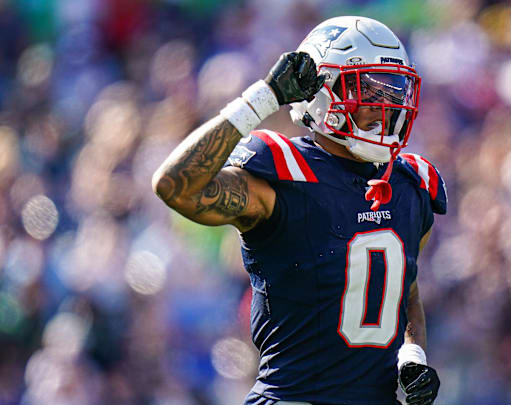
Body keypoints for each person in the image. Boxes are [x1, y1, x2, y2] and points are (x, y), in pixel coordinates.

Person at [152, 16, 446, 405]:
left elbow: (404, 290)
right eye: (370, 88)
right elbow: (176, 185)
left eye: (394, 90)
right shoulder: (284, 173)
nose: (385, 105)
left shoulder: (411, 185)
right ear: (323, 93)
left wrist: (412, 355)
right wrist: (264, 96)